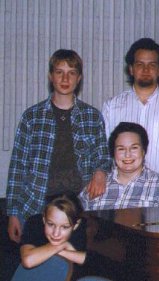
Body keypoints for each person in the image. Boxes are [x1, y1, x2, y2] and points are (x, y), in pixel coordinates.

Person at [6, 49, 111, 243]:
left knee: (74, 267)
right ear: (50, 76)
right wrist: (13, 213)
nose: (65, 78)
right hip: (36, 206)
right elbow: (17, 168)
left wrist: (100, 172)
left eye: (71, 73)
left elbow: (103, 156)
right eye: (59, 72)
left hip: (78, 209)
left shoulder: (92, 116)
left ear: (78, 78)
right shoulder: (32, 117)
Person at [102, 38, 159, 173]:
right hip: (121, 188)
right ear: (131, 69)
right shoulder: (112, 106)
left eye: (152, 65)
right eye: (140, 64)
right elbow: (106, 153)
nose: (146, 69)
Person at [80, 122, 159, 210]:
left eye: (134, 148)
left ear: (144, 151)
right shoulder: (96, 185)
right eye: (121, 149)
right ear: (113, 153)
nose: (127, 155)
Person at [11, 194, 88, 281]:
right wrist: (61, 246)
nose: (56, 234)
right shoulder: (35, 223)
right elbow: (28, 261)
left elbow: (86, 260)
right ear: (44, 219)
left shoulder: (81, 230)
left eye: (65, 227)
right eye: (51, 224)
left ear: (75, 225)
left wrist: (55, 251)